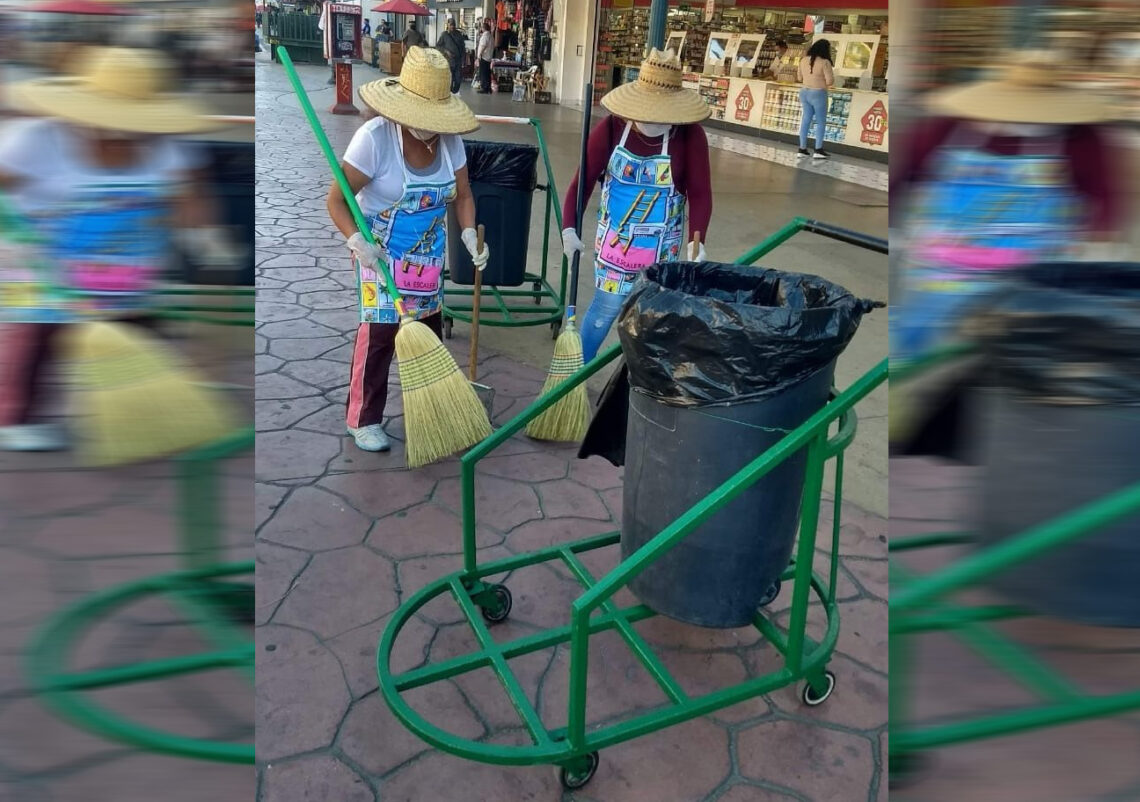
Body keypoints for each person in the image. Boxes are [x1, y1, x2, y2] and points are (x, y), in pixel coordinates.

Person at [0, 47, 228, 452]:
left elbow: (191, 195)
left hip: (127, 267)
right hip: (46, 262)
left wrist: (207, 235)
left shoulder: (167, 147)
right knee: (40, 334)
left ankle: (144, 413)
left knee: (139, 335)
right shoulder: (36, 141)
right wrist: (16, 234)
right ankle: (18, 419)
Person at [890, 49, 1125, 361]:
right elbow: (901, 177)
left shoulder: (1081, 138)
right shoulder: (945, 128)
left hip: (1034, 277)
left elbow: (1103, 198)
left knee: (1021, 360)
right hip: (945, 274)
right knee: (915, 351)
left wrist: (1098, 251)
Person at [327, 47, 490, 453]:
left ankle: (432, 412)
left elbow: (463, 195)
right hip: (379, 254)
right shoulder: (375, 140)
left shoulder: (450, 143)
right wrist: (356, 241)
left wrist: (469, 234)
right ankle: (363, 418)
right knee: (380, 333)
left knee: (429, 331)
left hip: (427, 258)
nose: (429, 127)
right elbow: (337, 200)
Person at [561, 48, 712, 363]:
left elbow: (700, 193)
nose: (652, 120)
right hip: (615, 249)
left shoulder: (690, 136)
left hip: (661, 252)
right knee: (604, 311)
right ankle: (573, 377)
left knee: (653, 323)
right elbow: (581, 182)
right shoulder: (612, 129)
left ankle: (641, 384)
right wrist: (569, 228)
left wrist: (697, 240)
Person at [798, 39, 834, 159]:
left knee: (806, 120)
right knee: (820, 122)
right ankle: (818, 149)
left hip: (804, 92)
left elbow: (799, 78)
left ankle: (802, 148)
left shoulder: (803, 60)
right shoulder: (825, 62)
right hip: (818, 93)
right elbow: (829, 81)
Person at [436, 17, 466, 95]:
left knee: (458, 79)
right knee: (450, 79)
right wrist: (446, 51)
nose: (452, 26)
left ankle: (454, 91)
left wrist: (463, 60)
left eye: (454, 25)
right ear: (448, 25)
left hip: (458, 61)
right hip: (449, 61)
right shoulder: (444, 35)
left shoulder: (459, 34)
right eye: (451, 25)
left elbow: (463, 47)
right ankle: (449, 94)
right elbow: (438, 46)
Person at [476, 19, 493, 94]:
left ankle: (484, 88)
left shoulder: (485, 36)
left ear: (483, 28)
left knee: (483, 73)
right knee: (487, 73)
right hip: (489, 57)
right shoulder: (491, 36)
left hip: (484, 57)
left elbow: (483, 45)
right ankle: (488, 88)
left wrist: (479, 55)